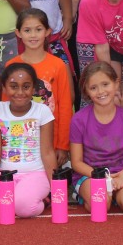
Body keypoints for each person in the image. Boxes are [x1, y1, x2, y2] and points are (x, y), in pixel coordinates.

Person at [0, 63, 56, 218]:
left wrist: (56, 189)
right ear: (4, 88)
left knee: (24, 207)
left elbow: (48, 152)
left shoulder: (43, 111)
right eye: (14, 86)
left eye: (26, 86)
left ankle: (43, 199)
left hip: (36, 173)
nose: (20, 92)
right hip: (5, 174)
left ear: (34, 88)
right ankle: (21, 195)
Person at [69, 61, 123, 214]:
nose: (101, 91)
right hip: (90, 174)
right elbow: (76, 162)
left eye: (105, 84)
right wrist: (100, 177)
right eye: (93, 88)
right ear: (87, 91)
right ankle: (88, 195)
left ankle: (115, 196)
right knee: (100, 205)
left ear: (116, 84)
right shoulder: (79, 119)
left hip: (120, 174)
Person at [6, 9, 73, 166]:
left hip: (52, 139)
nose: (33, 35)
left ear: (47, 32)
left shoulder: (58, 65)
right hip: (21, 139)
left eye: (38, 29)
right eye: (27, 30)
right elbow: (6, 108)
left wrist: (62, 145)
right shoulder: (11, 66)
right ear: (18, 33)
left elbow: (64, 106)